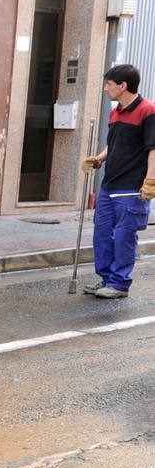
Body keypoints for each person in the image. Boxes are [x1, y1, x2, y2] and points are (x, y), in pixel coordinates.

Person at [80, 64, 155, 299]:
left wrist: (151, 180)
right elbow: (115, 144)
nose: (105, 89)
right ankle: (106, 279)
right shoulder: (115, 112)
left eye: (109, 84)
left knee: (124, 236)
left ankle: (120, 283)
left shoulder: (148, 110)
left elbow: (153, 149)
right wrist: (99, 158)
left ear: (123, 86)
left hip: (131, 188)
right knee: (102, 234)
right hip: (109, 184)